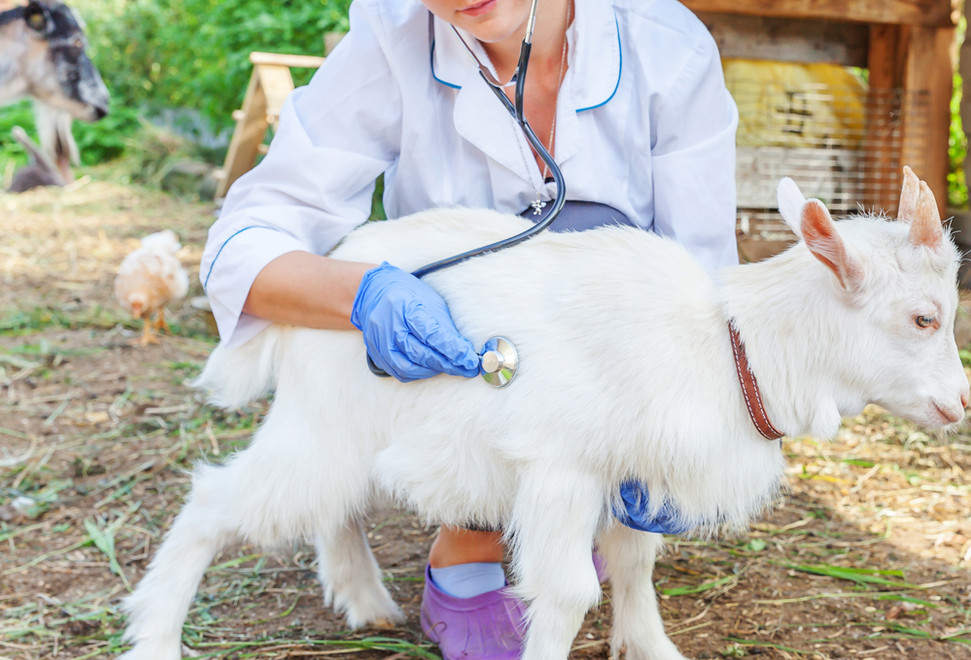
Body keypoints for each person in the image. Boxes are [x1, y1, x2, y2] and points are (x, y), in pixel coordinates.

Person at [198, 0, 738, 656]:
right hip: (469, 384)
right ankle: (472, 528)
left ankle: (591, 514)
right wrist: (362, 293)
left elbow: (704, 277)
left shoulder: (668, 45)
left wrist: (679, 429)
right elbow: (248, 240)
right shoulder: (393, 36)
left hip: (610, 375)